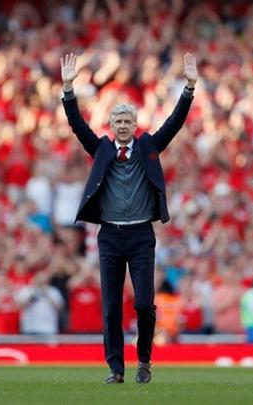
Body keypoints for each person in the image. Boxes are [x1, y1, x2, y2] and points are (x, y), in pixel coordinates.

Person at [60, 52, 197, 384]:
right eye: (118, 121)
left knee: (145, 304)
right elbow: (77, 126)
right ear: (111, 126)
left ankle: (145, 360)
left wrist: (190, 87)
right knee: (111, 306)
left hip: (140, 235)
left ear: (135, 126)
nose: (122, 126)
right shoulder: (102, 149)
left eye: (127, 121)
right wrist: (68, 89)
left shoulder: (149, 146)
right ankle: (116, 368)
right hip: (109, 235)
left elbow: (174, 124)